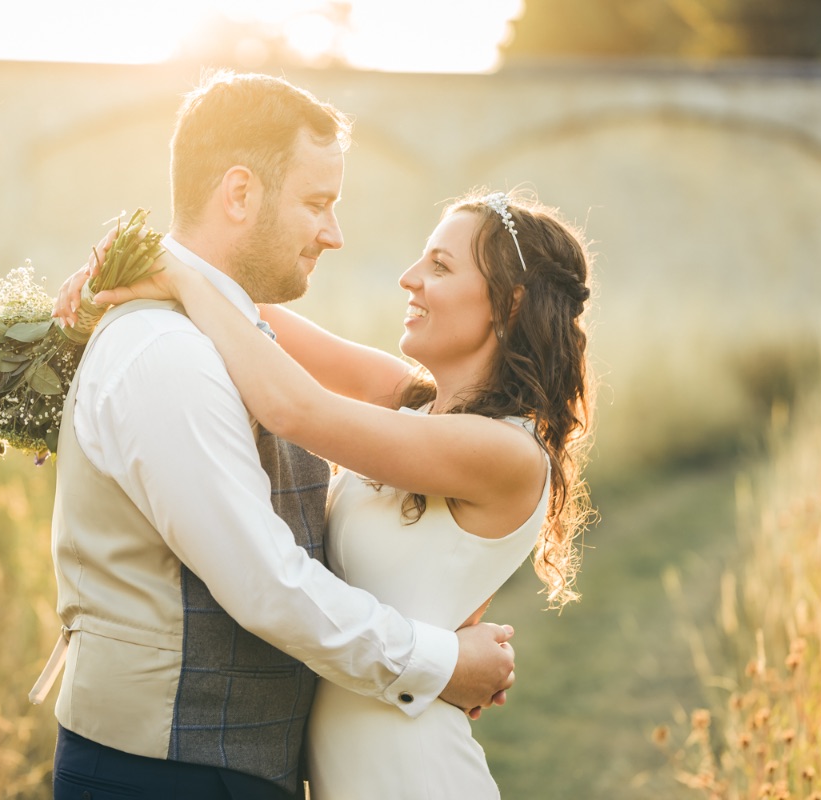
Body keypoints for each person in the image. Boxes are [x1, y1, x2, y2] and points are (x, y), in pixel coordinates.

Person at [41, 71, 518, 800]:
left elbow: (353, 393)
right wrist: (439, 662)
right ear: (239, 194)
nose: (334, 231)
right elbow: (266, 585)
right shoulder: (169, 355)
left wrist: (174, 271)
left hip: (226, 767)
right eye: (318, 203)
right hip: (162, 774)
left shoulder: (234, 335)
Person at [87, 188, 596, 798]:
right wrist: (129, 269)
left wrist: (177, 274)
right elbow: (252, 317)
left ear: (509, 306)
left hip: (414, 774)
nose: (409, 278)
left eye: (440, 266)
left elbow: (293, 409)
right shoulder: (410, 400)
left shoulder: (506, 453)